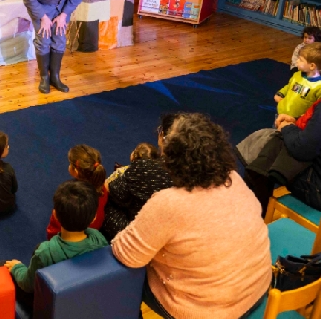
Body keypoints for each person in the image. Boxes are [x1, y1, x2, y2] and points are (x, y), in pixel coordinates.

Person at [112, 113, 271, 319]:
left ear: (172, 157)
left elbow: (126, 255)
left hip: (205, 310)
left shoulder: (169, 202)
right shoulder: (233, 178)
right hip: (256, 291)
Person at [3, 180, 108, 311]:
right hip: (83, 299)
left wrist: (17, 268)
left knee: (4, 267)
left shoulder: (45, 252)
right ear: (93, 218)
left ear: (55, 215)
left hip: (54, 305)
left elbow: (28, 284)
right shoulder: (98, 239)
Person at [23, 0, 93, 94]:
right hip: (42, 6)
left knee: (60, 39)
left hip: (61, 8)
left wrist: (64, 15)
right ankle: (44, 78)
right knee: (44, 39)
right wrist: (43, 17)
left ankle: (55, 77)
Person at [100, 117, 174, 242]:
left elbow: (112, 191)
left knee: (104, 201)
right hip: (173, 233)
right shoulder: (201, 177)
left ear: (162, 136)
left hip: (143, 234)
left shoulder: (145, 168)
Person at [46, 144, 108, 240]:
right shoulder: (101, 185)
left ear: (75, 171)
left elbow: (56, 226)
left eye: (70, 164)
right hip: (95, 227)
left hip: (70, 234)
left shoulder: (71, 197)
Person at [275, 43, 321, 119]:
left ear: (312, 66)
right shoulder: (297, 74)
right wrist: (281, 93)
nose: (297, 61)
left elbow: (318, 110)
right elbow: (289, 86)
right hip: (281, 111)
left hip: (296, 120)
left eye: (300, 60)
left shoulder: (319, 87)